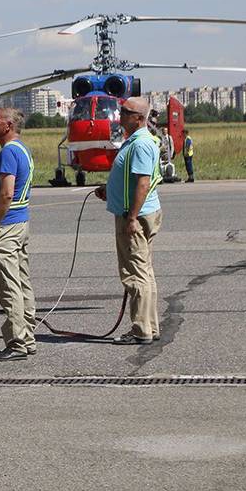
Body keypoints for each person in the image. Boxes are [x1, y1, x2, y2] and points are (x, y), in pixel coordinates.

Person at [93, 96, 163, 345]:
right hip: (136, 212)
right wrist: (109, 189)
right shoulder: (135, 141)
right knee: (144, 270)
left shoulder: (141, 144)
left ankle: (141, 329)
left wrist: (131, 216)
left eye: (125, 112)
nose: (120, 115)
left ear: (140, 118)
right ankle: (150, 326)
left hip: (134, 216)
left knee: (135, 274)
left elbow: (143, 183)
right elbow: (130, 179)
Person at [0, 108, 36, 361]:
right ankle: (28, 338)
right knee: (22, 282)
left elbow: (6, 193)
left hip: (6, 227)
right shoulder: (22, 150)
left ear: (9, 125)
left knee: (8, 285)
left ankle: (17, 343)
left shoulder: (8, 153)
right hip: (20, 225)